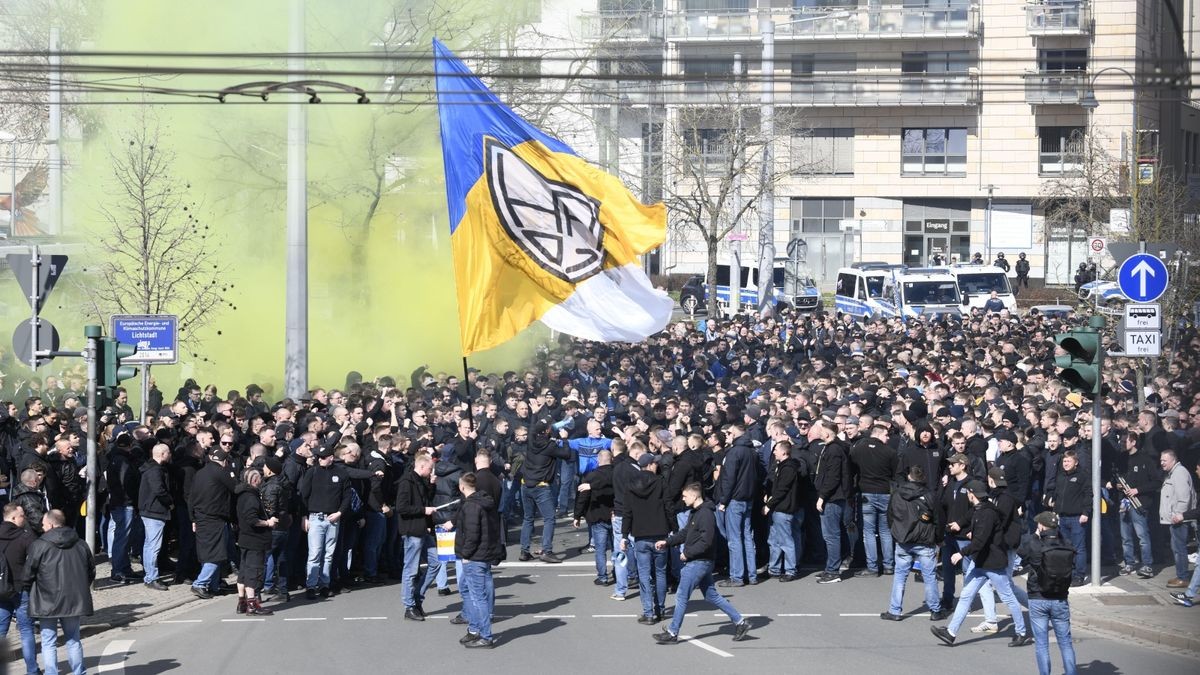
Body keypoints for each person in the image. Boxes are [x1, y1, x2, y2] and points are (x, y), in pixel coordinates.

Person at [931, 480, 1030, 647]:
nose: (967, 495)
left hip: (993, 565)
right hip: (981, 564)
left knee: (1008, 597)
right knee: (966, 596)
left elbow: (980, 542)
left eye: (968, 493)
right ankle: (951, 632)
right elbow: (966, 518)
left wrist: (960, 554)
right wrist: (957, 524)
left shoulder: (987, 514)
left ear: (972, 494)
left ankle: (1021, 633)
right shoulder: (978, 508)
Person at [652, 482, 751, 644]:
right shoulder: (696, 512)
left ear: (694, 495)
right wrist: (667, 542)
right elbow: (686, 533)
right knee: (711, 595)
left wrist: (687, 553)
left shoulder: (705, 514)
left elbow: (707, 541)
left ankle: (672, 632)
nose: (682, 499)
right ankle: (741, 622)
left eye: (684, 496)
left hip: (699, 562)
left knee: (682, 596)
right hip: (701, 561)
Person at [25, 509, 94, 675]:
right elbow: (90, 571)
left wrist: (29, 590)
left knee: (48, 641)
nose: (41, 527)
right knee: (73, 639)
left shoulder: (39, 545)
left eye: (43, 523)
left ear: (50, 524)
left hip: (46, 600)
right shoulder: (80, 543)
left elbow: (28, 573)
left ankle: (51, 673)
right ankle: (79, 672)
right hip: (74, 600)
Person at [880, 465, 946, 621]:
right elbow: (939, 519)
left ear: (909, 477)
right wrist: (938, 539)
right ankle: (935, 610)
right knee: (929, 577)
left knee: (900, 576)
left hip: (903, 540)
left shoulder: (897, 494)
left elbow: (890, 516)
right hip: (925, 540)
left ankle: (895, 610)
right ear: (922, 478)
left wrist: (896, 533)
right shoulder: (930, 495)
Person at [1019, 511, 1078, 675]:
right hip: (1060, 598)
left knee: (1042, 644)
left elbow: (1021, 553)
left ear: (1041, 526)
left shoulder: (1035, 543)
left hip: (1038, 598)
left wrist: (1035, 536)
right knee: (1065, 642)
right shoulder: (1065, 543)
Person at [453, 472, 504, 649]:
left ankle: (485, 635)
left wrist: (465, 555)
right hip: (483, 554)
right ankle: (475, 629)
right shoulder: (483, 502)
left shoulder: (471, 506)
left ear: (462, 487)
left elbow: (472, 534)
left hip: (474, 556)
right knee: (468, 589)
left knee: (477, 596)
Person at [622, 452, 673, 625]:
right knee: (660, 572)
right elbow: (668, 506)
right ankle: (661, 608)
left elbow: (627, 511)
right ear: (651, 465)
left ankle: (648, 612)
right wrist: (675, 529)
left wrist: (624, 535)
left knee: (644, 574)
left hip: (640, 534)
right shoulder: (660, 482)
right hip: (660, 533)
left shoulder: (631, 484)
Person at [298, 446, 350, 599]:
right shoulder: (312, 472)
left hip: (333, 518)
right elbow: (303, 496)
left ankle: (324, 584)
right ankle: (311, 586)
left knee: (328, 554)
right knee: (314, 554)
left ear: (331, 457)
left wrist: (340, 512)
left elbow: (347, 496)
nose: (320, 459)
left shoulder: (341, 473)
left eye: (323, 457)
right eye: (319, 457)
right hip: (315, 517)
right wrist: (304, 517)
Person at [395, 452, 442, 621]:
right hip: (412, 531)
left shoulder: (420, 480)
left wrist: (431, 485)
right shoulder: (406, 482)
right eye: (429, 469)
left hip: (423, 529)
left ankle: (417, 597)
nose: (431, 472)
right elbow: (401, 507)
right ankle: (409, 606)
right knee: (411, 569)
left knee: (436, 562)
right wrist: (423, 511)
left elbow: (426, 499)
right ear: (421, 466)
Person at [519, 416, 571, 563]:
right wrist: (565, 440)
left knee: (528, 518)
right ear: (547, 430)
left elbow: (533, 430)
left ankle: (524, 551)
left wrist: (535, 415)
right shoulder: (550, 446)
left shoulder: (530, 440)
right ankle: (547, 551)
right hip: (541, 486)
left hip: (525, 484)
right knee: (549, 518)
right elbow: (566, 454)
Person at [849, 422, 897, 577]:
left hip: (866, 493)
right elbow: (895, 472)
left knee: (868, 531)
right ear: (877, 434)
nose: (888, 438)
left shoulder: (858, 449)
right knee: (885, 530)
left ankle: (873, 567)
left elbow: (852, 467)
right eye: (886, 435)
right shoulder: (889, 452)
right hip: (885, 492)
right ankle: (889, 565)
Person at [189, 447, 236, 600]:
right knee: (216, 554)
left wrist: (193, 519)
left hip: (201, 518)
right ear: (224, 461)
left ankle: (213, 586)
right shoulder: (221, 472)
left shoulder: (200, 473)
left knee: (207, 553)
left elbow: (191, 497)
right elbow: (236, 488)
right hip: (215, 519)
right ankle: (200, 583)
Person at [718, 421, 759, 586]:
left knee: (734, 539)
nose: (726, 436)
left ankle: (737, 576)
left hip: (735, 499)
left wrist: (723, 501)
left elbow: (729, 479)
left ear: (734, 434)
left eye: (728, 433)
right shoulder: (752, 451)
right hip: (748, 498)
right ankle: (752, 574)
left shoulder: (734, 452)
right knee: (747, 537)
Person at [0, 503, 38, 675]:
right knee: (26, 630)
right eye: (22, 515)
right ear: (14, 517)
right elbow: (36, 561)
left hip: (1, 589)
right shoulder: (26, 536)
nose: (25, 518)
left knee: (0, 630)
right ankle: (32, 671)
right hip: (21, 588)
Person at [235, 468, 278, 616]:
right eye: (260, 479)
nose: (261, 481)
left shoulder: (241, 495)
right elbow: (252, 519)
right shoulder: (251, 497)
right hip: (255, 540)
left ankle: (242, 602)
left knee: (244, 571)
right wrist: (268, 523)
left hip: (245, 538)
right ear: (254, 481)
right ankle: (252, 604)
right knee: (253, 571)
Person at [814, 420, 850, 584]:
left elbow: (833, 476)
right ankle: (830, 567)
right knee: (831, 535)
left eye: (821, 430)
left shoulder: (834, 449)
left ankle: (833, 571)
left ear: (827, 433)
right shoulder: (831, 448)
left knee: (831, 535)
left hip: (832, 498)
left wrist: (822, 496)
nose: (819, 432)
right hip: (833, 496)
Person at [763, 440, 803, 582]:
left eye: (776, 450)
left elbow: (782, 489)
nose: (774, 452)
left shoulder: (788, 468)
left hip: (783, 509)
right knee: (774, 540)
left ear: (784, 452)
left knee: (786, 541)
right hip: (778, 508)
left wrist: (769, 504)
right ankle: (774, 568)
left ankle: (790, 570)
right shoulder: (782, 466)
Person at [574, 450, 615, 586]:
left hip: (597, 515)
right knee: (617, 548)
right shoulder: (617, 473)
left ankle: (602, 577)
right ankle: (618, 573)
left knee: (600, 549)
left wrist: (577, 515)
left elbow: (583, 497)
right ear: (611, 459)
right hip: (615, 515)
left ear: (598, 460)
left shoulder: (592, 476)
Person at [1051, 450, 1091, 586]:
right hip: (1062, 517)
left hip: (1076, 518)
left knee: (1079, 548)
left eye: (1068, 461)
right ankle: (1069, 574)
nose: (1066, 464)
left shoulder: (1082, 476)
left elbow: (1088, 494)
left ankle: (1079, 576)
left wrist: (1085, 512)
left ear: (1076, 462)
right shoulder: (1061, 476)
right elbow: (1057, 495)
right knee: (1066, 549)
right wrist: (1055, 511)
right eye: (1064, 461)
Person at [137, 443, 173, 592]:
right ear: (163, 454)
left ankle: (149, 575)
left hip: (149, 510)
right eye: (169, 453)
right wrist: (170, 502)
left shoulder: (150, 468)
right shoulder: (155, 470)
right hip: (154, 511)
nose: (170, 455)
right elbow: (159, 490)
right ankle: (151, 577)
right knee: (153, 546)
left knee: (149, 545)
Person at [1159, 449, 1196, 588]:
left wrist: (1179, 515)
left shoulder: (1179, 473)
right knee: (1177, 548)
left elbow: (1184, 498)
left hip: (1179, 519)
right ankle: (1181, 575)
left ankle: (1183, 577)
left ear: (1173, 460)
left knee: (1179, 548)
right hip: (1175, 518)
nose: (1162, 463)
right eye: (1161, 460)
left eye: (1164, 460)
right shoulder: (1173, 473)